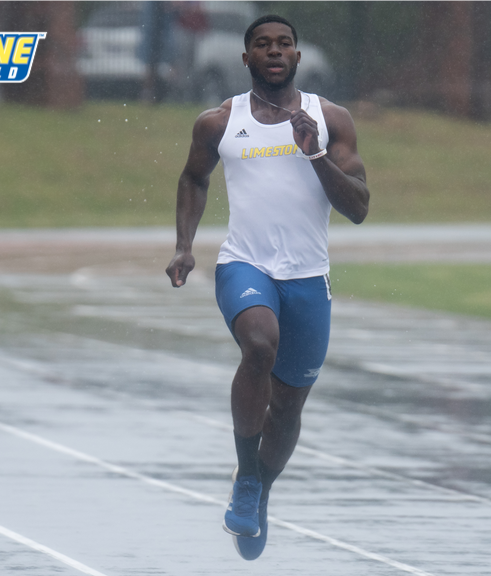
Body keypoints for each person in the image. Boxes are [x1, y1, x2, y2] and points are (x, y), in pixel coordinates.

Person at [164, 15, 369, 560]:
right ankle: (246, 478)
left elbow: (358, 207)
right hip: (245, 265)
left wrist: (315, 153)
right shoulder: (219, 122)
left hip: (308, 278)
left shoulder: (330, 119)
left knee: (288, 408)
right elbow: (194, 177)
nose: (274, 51)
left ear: (297, 56)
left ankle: (260, 489)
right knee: (259, 345)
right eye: (262, 44)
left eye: (284, 44)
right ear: (246, 58)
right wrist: (184, 245)